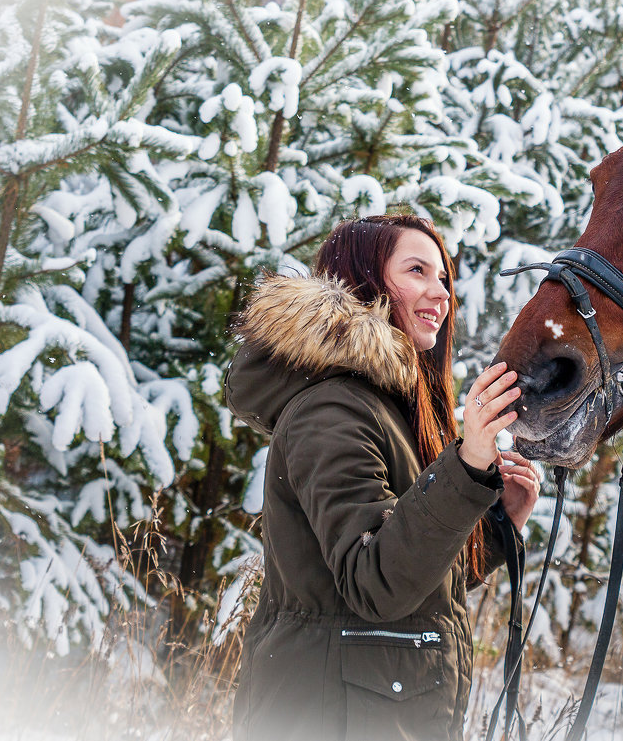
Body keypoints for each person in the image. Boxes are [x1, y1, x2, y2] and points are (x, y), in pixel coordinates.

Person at [224, 214, 541, 741]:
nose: (439, 293)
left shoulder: (383, 408)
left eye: (443, 278)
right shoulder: (331, 409)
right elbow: (376, 584)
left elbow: (415, 583)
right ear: (363, 281)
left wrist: (498, 527)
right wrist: (465, 466)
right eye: (417, 271)